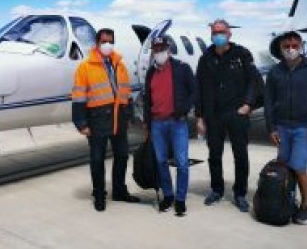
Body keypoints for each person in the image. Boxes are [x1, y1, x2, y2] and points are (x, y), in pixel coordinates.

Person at [72, 28, 140, 212]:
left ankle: (119, 191)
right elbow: (78, 97)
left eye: (110, 41)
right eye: (104, 42)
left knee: (123, 155)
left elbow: (126, 92)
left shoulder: (120, 65)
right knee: (97, 159)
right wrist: (81, 123)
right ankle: (99, 195)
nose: (107, 45)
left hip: (119, 117)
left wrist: (129, 116)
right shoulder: (85, 67)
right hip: (97, 120)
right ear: (97, 43)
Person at [195, 19, 259, 212]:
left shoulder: (241, 55)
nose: (218, 35)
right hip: (213, 115)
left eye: (221, 32)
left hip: (237, 113)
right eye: (215, 32)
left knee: (240, 155)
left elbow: (254, 81)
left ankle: (240, 193)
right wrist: (199, 117)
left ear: (230, 33)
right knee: (214, 155)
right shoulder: (205, 58)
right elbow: (199, 89)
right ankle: (217, 190)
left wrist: (248, 105)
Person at [265, 30, 307, 224]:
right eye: (286, 46)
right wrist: (271, 128)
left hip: (303, 127)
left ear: (300, 47)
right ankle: (286, 200)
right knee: (284, 166)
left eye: (295, 46)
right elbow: (269, 101)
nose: (291, 49)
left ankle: (305, 206)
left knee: (299, 168)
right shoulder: (275, 71)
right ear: (280, 48)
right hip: (283, 127)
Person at [143, 35, 198, 216]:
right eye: (156, 49)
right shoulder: (151, 72)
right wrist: (147, 123)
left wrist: (184, 109)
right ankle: (168, 195)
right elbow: (147, 100)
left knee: (182, 163)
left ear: (168, 49)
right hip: (157, 124)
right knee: (161, 162)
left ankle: (180, 199)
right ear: (153, 51)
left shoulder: (181, 68)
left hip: (177, 123)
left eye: (162, 48)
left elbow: (194, 91)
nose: (159, 52)